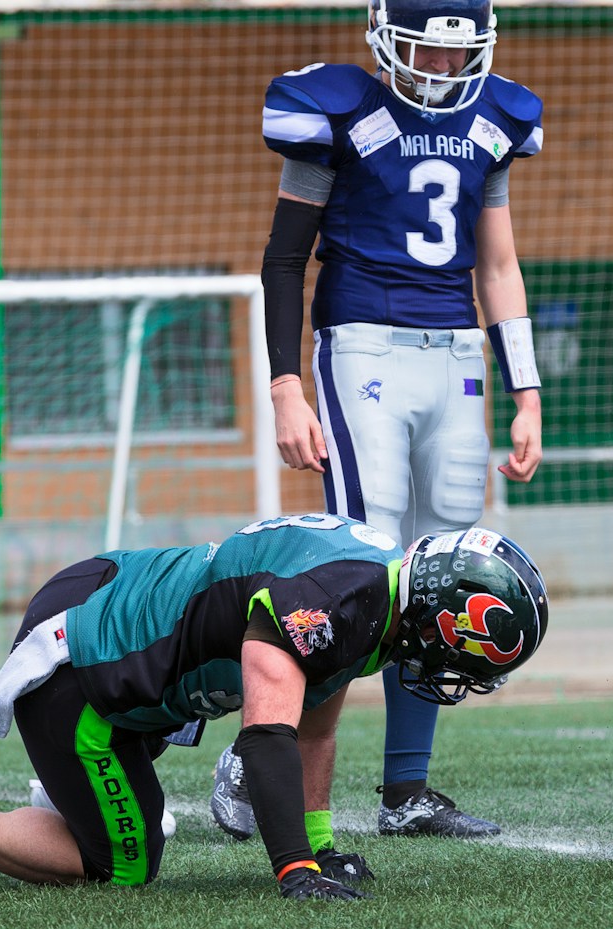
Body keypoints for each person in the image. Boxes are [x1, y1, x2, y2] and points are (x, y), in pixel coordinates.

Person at [222, 0, 547, 844]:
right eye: (423, 53)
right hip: (362, 343)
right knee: (362, 565)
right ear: (382, 39)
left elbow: (500, 264)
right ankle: (258, 751)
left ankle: (406, 788)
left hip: (457, 356)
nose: (440, 71)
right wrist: (285, 385)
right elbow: (285, 255)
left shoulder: (499, 116)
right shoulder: (338, 109)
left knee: (443, 575)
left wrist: (528, 389)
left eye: (457, 55)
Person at [0, 517, 549, 900]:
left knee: (136, 813)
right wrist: (296, 866)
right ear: (442, 616)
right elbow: (268, 735)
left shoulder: (375, 593)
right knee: (123, 863)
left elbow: (313, 723)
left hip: (124, 601)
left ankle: (66, 798)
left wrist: (323, 841)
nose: (455, 675)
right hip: (87, 659)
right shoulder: (337, 600)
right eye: (466, 659)